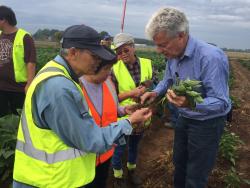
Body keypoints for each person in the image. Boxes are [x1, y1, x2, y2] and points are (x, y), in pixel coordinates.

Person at [13, 24, 152, 188]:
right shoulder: (59, 87)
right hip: (48, 181)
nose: (98, 62)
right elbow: (90, 140)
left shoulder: (62, 76)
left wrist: (121, 112)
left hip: (52, 177)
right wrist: (129, 122)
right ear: (73, 53)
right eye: (94, 56)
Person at [141, 7, 231, 188]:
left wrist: (191, 103)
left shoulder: (210, 57)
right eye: (156, 44)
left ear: (181, 36)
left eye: (163, 44)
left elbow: (221, 103)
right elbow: (167, 79)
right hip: (184, 118)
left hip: (207, 123)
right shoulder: (173, 55)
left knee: (196, 174)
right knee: (179, 163)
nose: (158, 50)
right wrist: (156, 92)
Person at [110, 33, 154, 187]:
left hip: (142, 116)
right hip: (123, 119)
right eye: (118, 52)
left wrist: (148, 88)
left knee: (135, 146)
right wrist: (131, 93)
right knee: (119, 149)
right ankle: (118, 176)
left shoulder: (148, 63)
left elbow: (154, 84)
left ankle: (131, 171)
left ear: (133, 47)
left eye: (125, 50)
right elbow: (111, 98)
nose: (122, 55)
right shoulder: (113, 69)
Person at [0, 5, 36, 117]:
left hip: (18, 88)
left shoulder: (25, 37)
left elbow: (31, 62)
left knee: (18, 120)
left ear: (3, 20)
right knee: (3, 121)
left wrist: (29, 84)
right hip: (1, 87)